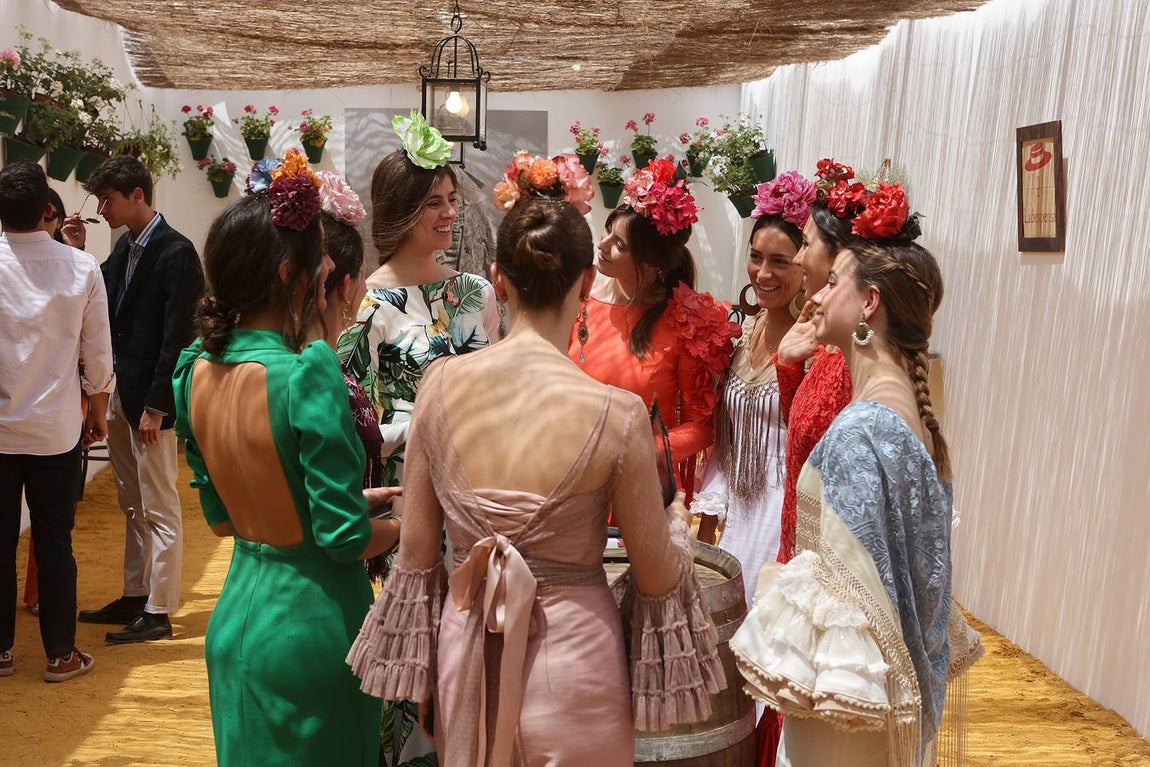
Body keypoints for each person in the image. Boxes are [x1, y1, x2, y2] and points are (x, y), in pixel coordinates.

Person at [347, 189, 726, 767]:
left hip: (467, 649)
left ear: (498, 279)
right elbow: (655, 577)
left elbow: (418, 557)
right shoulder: (617, 414)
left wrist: (427, 681)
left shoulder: (440, 388)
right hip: (576, 662)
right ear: (586, 280)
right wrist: (675, 523)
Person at [173, 150, 399, 766]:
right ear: (287, 272)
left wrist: (348, 507)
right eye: (318, 256)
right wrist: (413, 523)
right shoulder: (308, 371)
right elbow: (341, 537)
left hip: (239, 616)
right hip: (313, 630)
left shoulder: (193, 371)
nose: (329, 264)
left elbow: (224, 519)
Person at [731, 181, 954, 767]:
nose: (817, 292)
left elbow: (858, 599)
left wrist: (772, 585)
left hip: (850, 720)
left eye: (833, 282)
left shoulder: (861, 430)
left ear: (870, 303)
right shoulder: (902, 406)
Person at [74, 156, 204, 644]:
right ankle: (135, 595)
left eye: (108, 199)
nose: (101, 208)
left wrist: (157, 404)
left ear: (137, 195)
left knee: (160, 502)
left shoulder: (177, 252)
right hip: (125, 394)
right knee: (133, 503)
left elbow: (179, 336)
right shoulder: (126, 248)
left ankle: (160, 609)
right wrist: (79, 250)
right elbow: (103, 300)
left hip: (149, 399)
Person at [339, 111, 500, 488]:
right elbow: (355, 427)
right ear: (402, 209)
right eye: (433, 203)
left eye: (452, 199)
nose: (450, 213)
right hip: (403, 491)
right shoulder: (367, 304)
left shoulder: (477, 293)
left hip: (477, 482)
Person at [0, 160, 115, 682]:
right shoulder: (80, 268)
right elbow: (98, 356)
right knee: (55, 543)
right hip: (56, 429)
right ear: (49, 209)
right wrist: (97, 411)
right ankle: (60, 654)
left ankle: (0, 652)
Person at [569, 157, 740, 499]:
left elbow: (703, 426)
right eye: (607, 231)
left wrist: (637, 452)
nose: (601, 246)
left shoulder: (689, 324)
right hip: (573, 475)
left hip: (639, 486)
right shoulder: (582, 300)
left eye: (619, 244)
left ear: (651, 263)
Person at [694, 171, 811, 609]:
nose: (764, 272)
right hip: (738, 517)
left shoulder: (816, 346)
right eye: (756, 256)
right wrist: (707, 525)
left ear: (807, 264)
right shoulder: (740, 335)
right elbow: (727, 443)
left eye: (780, 261)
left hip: (785, 520)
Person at [773, 159, 860, 565]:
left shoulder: (859, 361)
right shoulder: (827, 347)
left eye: (806, 245)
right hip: (800, 549)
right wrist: (789, 368)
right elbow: (805, 438)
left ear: (842, 258)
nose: (796, 259)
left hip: (830, 565)